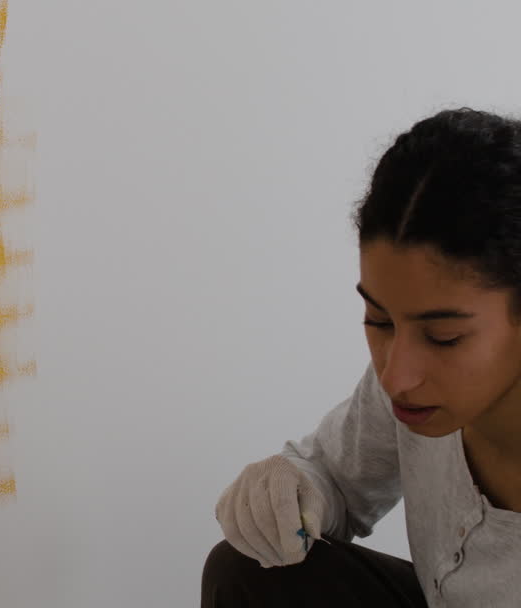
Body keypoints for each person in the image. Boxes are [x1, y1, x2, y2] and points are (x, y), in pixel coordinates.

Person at [202, 107, 521, 606]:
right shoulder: (413, 388)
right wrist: (291, 490)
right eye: (380, 321)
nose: (396, 376)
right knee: (249, 571)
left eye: (442, 337)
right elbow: (332, 477)